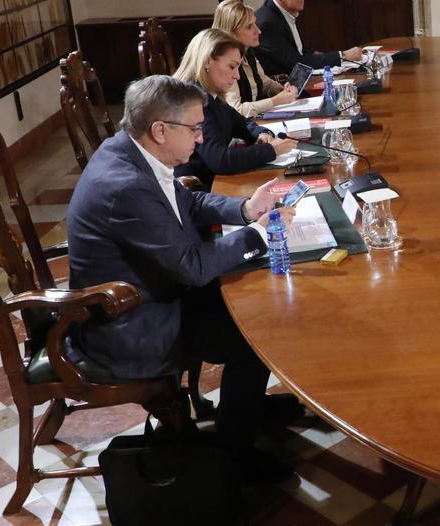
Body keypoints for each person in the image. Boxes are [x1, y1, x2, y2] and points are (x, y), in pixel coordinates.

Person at [66, 75, 299, 462]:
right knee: (254, 335)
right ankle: (235, 455)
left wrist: (245, 210)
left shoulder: (129, 150)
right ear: (160, 130)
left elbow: (184, 203)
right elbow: (192, 267)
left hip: (154, 293)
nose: (201, 138)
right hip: (131, 324)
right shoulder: (125, 185)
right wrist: (258, 234)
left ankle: (247, 409)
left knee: (257, 301)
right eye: (194, 128)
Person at [172, 28, 296, 187]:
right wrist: (270, 150)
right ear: (207, 61)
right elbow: (220, 160)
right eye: (232, 66)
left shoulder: (211, 95)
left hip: (219, 182)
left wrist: (262, 133)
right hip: (201, 191)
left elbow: (241, 122)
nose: (237, 76)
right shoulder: (193, 101)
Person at [254, 0, 364, 76]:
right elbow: (297, 63)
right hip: (282, 87)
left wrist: (326, 58)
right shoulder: (267, 23)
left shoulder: (287, 13)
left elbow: (304, 51)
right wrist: (343, 56)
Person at [212, 0, 300, 118]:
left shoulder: (248, 52)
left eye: (255, 24)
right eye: (249, 27)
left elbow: (264, 83)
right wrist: (276, 100)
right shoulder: (223, 63)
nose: (258, 31)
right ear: (231, 33)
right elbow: (236, 110)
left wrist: (282, 90)